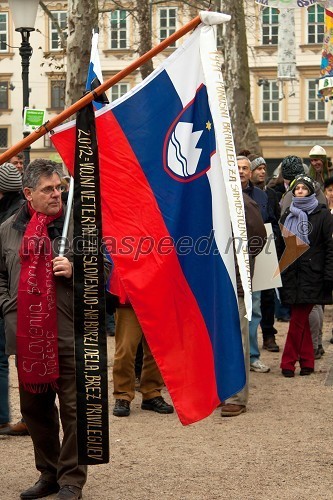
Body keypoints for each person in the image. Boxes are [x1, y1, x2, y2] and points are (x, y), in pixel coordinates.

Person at [0, 159, 87, 500]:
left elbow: (106, 271)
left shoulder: (78, 226)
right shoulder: (7, 229)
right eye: (48, 189)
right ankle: (48, 473)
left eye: (60, 187)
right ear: (27, 194)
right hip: (27, 337)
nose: (57, 194)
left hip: (68, 334)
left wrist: (75, 268)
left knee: (74, 411)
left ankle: (71, 480)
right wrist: (9, 307)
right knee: (35, 410)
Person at [279, 175, 333, 377]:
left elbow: (329, 247)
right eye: (297, 188)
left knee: (298, 319)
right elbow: (280, 246)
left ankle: (288, 362)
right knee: (299, 318)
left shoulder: (323, 214)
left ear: (311, 191)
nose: (300, 191)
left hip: (314, 275)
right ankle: (308, 361)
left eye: (304, 188)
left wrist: (329, 275)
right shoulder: (287, 215)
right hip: (291, 274)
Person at [220, 193, 267, 417]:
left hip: (236, 284)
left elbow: (259, 236)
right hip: (217, 285)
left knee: (238, 340)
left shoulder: (242, 201)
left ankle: (237, 397)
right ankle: (224, 391)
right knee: (219, 341)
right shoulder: (212, 196)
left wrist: (243, 259)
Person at [111, 269, 174, 417]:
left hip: (157, 290)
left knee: (156, 349)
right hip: (129, 294)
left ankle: (152, 393)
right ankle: (122, 395)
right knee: (125, 349)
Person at [0, 163, 28, 436]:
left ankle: (30, 418)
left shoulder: (16, 216)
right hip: (10, 300)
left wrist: (7, 303)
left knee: (22, 360)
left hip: (18, 303)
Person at [237, 156, 270, 373]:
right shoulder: (222, 192)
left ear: (251, 172)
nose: (240, 171)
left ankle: (253, 355)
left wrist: (251, 253)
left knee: (254, 309)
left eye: (244, 168)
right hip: (229, 262)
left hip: (256, 258)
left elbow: (265, 226)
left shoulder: (261, 195)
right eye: (237, 167)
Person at [249, 155, 280, 352]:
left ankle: (269, 335)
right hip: (250, 247)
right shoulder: (242, 194)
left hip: (267, 247)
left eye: (263, 168)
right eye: (257, 168)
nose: (262, 171)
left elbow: (276, 220)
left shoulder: (271, 194)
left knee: (268, 296)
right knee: (253, 300)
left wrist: (273, 238)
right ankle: (250, 347)